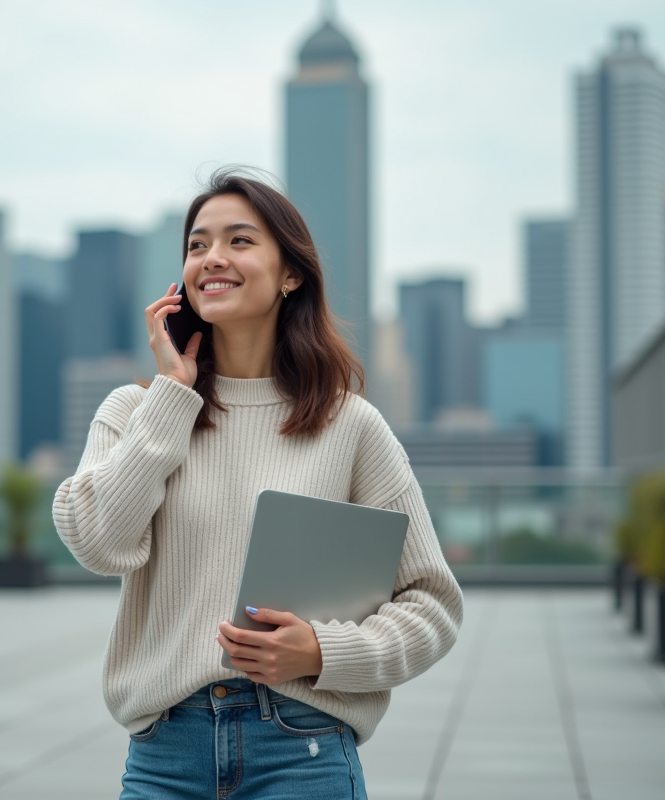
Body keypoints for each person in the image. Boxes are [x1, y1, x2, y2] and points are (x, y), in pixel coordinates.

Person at [53, 169, 463, 799]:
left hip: (302, 747)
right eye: (197, 245)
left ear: (290, 273)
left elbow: (433, 604)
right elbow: (98, 544)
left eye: (240, 241)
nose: (213, 258)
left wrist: (324, 653)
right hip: (165, 754)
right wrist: (173, 396)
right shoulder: (136, 412)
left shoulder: (349, 424)